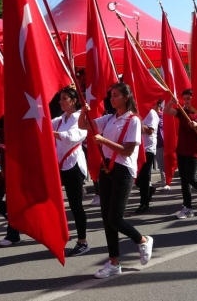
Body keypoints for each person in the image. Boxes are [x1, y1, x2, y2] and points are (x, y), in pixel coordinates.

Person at [78, 82, 153, 279]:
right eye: (111, 95)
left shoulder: (133, 120)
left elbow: (128, 150)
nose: (112, 98)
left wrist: (104, 141)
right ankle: (114, 263)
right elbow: (83, 126)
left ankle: (142, 240)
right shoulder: (110, 118)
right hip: (107, 170)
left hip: (123, 170)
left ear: (126, 97)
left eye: (116, 95)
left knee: (115, 218)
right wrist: (83, 111)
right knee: (106, 219)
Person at [163, 89, 197, 219]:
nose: (186, 101)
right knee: (184, 181)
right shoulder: (182, 112)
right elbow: (166, 111)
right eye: (184, 99)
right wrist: (171, 102)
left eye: (188, 98)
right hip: (181, 150)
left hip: (194, 151)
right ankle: (188, 208)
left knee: (191, 178)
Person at [52, 87, 90, 256]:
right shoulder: (60, 120)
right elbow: (43, 123)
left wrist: (50, 132)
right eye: (60, 98)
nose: (61, 101)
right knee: (52, 201)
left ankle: (82, 241)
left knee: (76, 206)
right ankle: (56, 236)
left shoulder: (79, 117)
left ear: (74, 101)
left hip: (74, 166)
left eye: (64, 98)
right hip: (61, 165)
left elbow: (72, 137)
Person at [135, 105, 159, 213]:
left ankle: (144, 203)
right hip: (136, 148)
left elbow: (150, 131)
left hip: (147, 149)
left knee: (144, 177)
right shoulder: (137, 111)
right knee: (136, 178)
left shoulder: (151, 113)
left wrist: (137, 123)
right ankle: (149, 190)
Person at [154, 101, 168, 190]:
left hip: (160, 142)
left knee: (162, 163)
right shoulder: (152, 114)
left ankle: (166, 183)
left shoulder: (161, 115)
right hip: (153, 143)